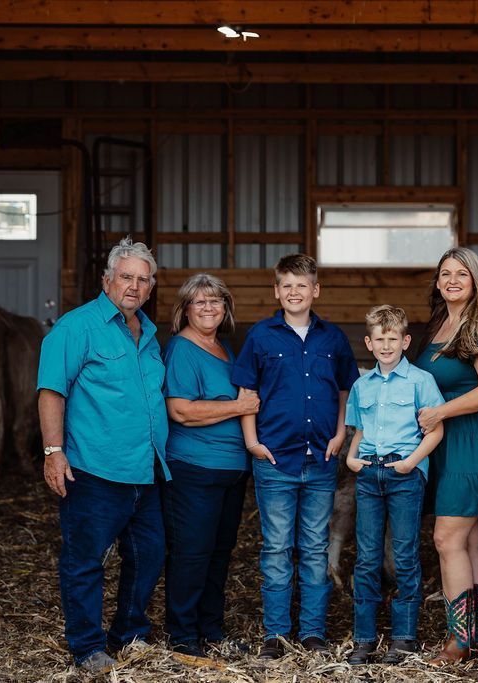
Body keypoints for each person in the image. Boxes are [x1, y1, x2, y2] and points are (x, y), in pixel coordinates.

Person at [37, 237, 170, 675]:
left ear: (151, 288)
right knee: (84, 561)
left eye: (142, 280)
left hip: (144, 470)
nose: (134, 286)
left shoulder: (148, 334)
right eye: (126, 277)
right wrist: (54, 452)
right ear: (107, 280)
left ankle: (128, 632)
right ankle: (87, 646)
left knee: (149, 554)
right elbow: (52, 390)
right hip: (93, 470)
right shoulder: (76, 328)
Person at [230, 253, 359, 659]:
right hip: (275, 460)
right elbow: (246, 394)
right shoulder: (261, 336)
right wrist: (252, 442)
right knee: (276, 548)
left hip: (320, 459)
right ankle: (276, 635)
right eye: (286, 285)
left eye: (302, 285)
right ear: (276, 291)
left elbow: (344, 391)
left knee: (316, 548)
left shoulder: (332, 338)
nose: (294, 292)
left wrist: (340, 433)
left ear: (315, 291)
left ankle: (313, 633)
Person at [413, 246, 478, 665]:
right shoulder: (441, 323)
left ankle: (457, 641)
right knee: (469, 538)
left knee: (446, 537)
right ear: (437, 282)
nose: (452, 279)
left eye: (462, 273)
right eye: (445, 273)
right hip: (444, 442)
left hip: (472, 438)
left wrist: (440, 411)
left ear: (476, 280)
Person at [161, 273, 260, 657]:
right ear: (185, 309)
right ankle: (183, 635)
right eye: (199, 301)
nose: (208, 308)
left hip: (230, 471)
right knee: (192, 551)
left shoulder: (223, 348)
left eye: (215, 301)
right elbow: (181, 411)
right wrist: (239, 406)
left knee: (219, 551)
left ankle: (210, 629)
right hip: (194, 468)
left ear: (226, 308)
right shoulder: (182, 349)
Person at [343, 305, 445, 666]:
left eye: (393, 339)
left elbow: (436, 430)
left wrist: (412, 463)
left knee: (403, 556)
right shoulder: (361, 385)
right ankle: (364, 639)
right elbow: (358, 428)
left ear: (405, 341)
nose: (386, 346)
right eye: (379, 339)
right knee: (367, 558)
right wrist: (351, 458)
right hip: (369, 474)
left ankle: (403, 638)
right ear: (369, 343)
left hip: (404, 474)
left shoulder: (420, 382)